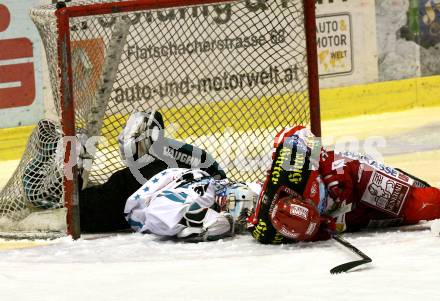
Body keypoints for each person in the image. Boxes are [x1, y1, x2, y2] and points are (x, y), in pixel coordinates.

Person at [22, 111, 228, 233]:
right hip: (144, 193)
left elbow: (216, 176)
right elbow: (217, 175)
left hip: (136, 197)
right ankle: (67, 175)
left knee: (76, 210)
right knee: (78, 206)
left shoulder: (126, 182)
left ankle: (66, 175)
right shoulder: (170, 156)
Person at [248, 126, 440, 244]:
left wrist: (326, 165)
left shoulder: (291, 173)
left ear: (302, 197)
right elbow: (252, 225)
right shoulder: (268, 231)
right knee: (405, 220)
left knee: (425, 204)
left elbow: (302, 133)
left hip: (354, 179)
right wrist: (319, 229)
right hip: (347, 217)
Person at [124, 167, 259, 242]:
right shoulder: (205, 193)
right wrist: (205, 219)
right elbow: (156, 213)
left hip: (145, 184)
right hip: (128, 190)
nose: (225, 204)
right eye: (231, 202)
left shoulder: (212, 187)